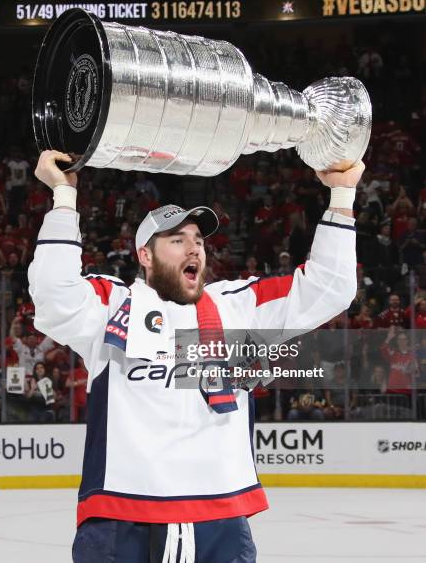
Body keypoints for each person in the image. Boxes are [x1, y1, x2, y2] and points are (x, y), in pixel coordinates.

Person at [29, 150, 363, 563]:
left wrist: (342, 195)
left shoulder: (236, 306)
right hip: (121, 517)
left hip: (218, 520)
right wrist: (64, 196)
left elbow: (328, 289)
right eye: (177, 240)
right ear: (145, 256)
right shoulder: (112, 304)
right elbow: (53, 297)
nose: (194, 248)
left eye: (199, 240)